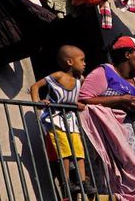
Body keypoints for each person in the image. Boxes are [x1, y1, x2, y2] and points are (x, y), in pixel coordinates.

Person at [79, 36, 135, 195]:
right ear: (128, 54)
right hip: (110, 134)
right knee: (115, 177)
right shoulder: (103, 73)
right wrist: (120, 100)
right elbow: (84, 99)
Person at [30, 45, 96, 195]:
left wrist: (81, 104)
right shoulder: (58, 76)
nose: (85, 63)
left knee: (78, 150)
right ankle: (66, 183)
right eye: (82, 60)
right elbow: (35, 86)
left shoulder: (81, 79)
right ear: (70, 62)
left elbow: (81, 98)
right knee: (64, 150)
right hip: (54, 119)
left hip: (71, 119)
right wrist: (37, 103)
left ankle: (82, 181)